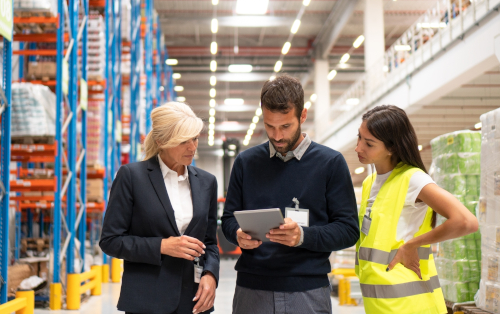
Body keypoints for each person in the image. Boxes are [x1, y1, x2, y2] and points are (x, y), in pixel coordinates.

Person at [221, 74, 360, 314]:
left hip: (307, 292)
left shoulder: (330, 163)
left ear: (302, 116)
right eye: (269, 126)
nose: (277, 136)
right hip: (252, 290)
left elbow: (348, 230)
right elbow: (228, 220)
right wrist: (237, 234)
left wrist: (303, 236)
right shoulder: (245, 162)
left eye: (286, 126)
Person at [354, 105, 479, 314]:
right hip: (380, 305)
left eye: (369, 143)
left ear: (392, 147)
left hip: (410, 305)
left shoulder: (412, 179)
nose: (358, 148)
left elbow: (466, 221)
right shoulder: (370, 182)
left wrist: (412, 245)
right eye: (359, 138)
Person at [100, 102, 219, 314]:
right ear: (161, 141)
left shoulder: (207, 182)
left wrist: (211, 275)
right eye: (184, 141)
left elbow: (209, 242)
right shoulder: (131, 177)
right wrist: (162, 246)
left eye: (195, 138)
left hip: (194, 302)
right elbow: (111, 241)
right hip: (147, 302)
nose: (192, 147)